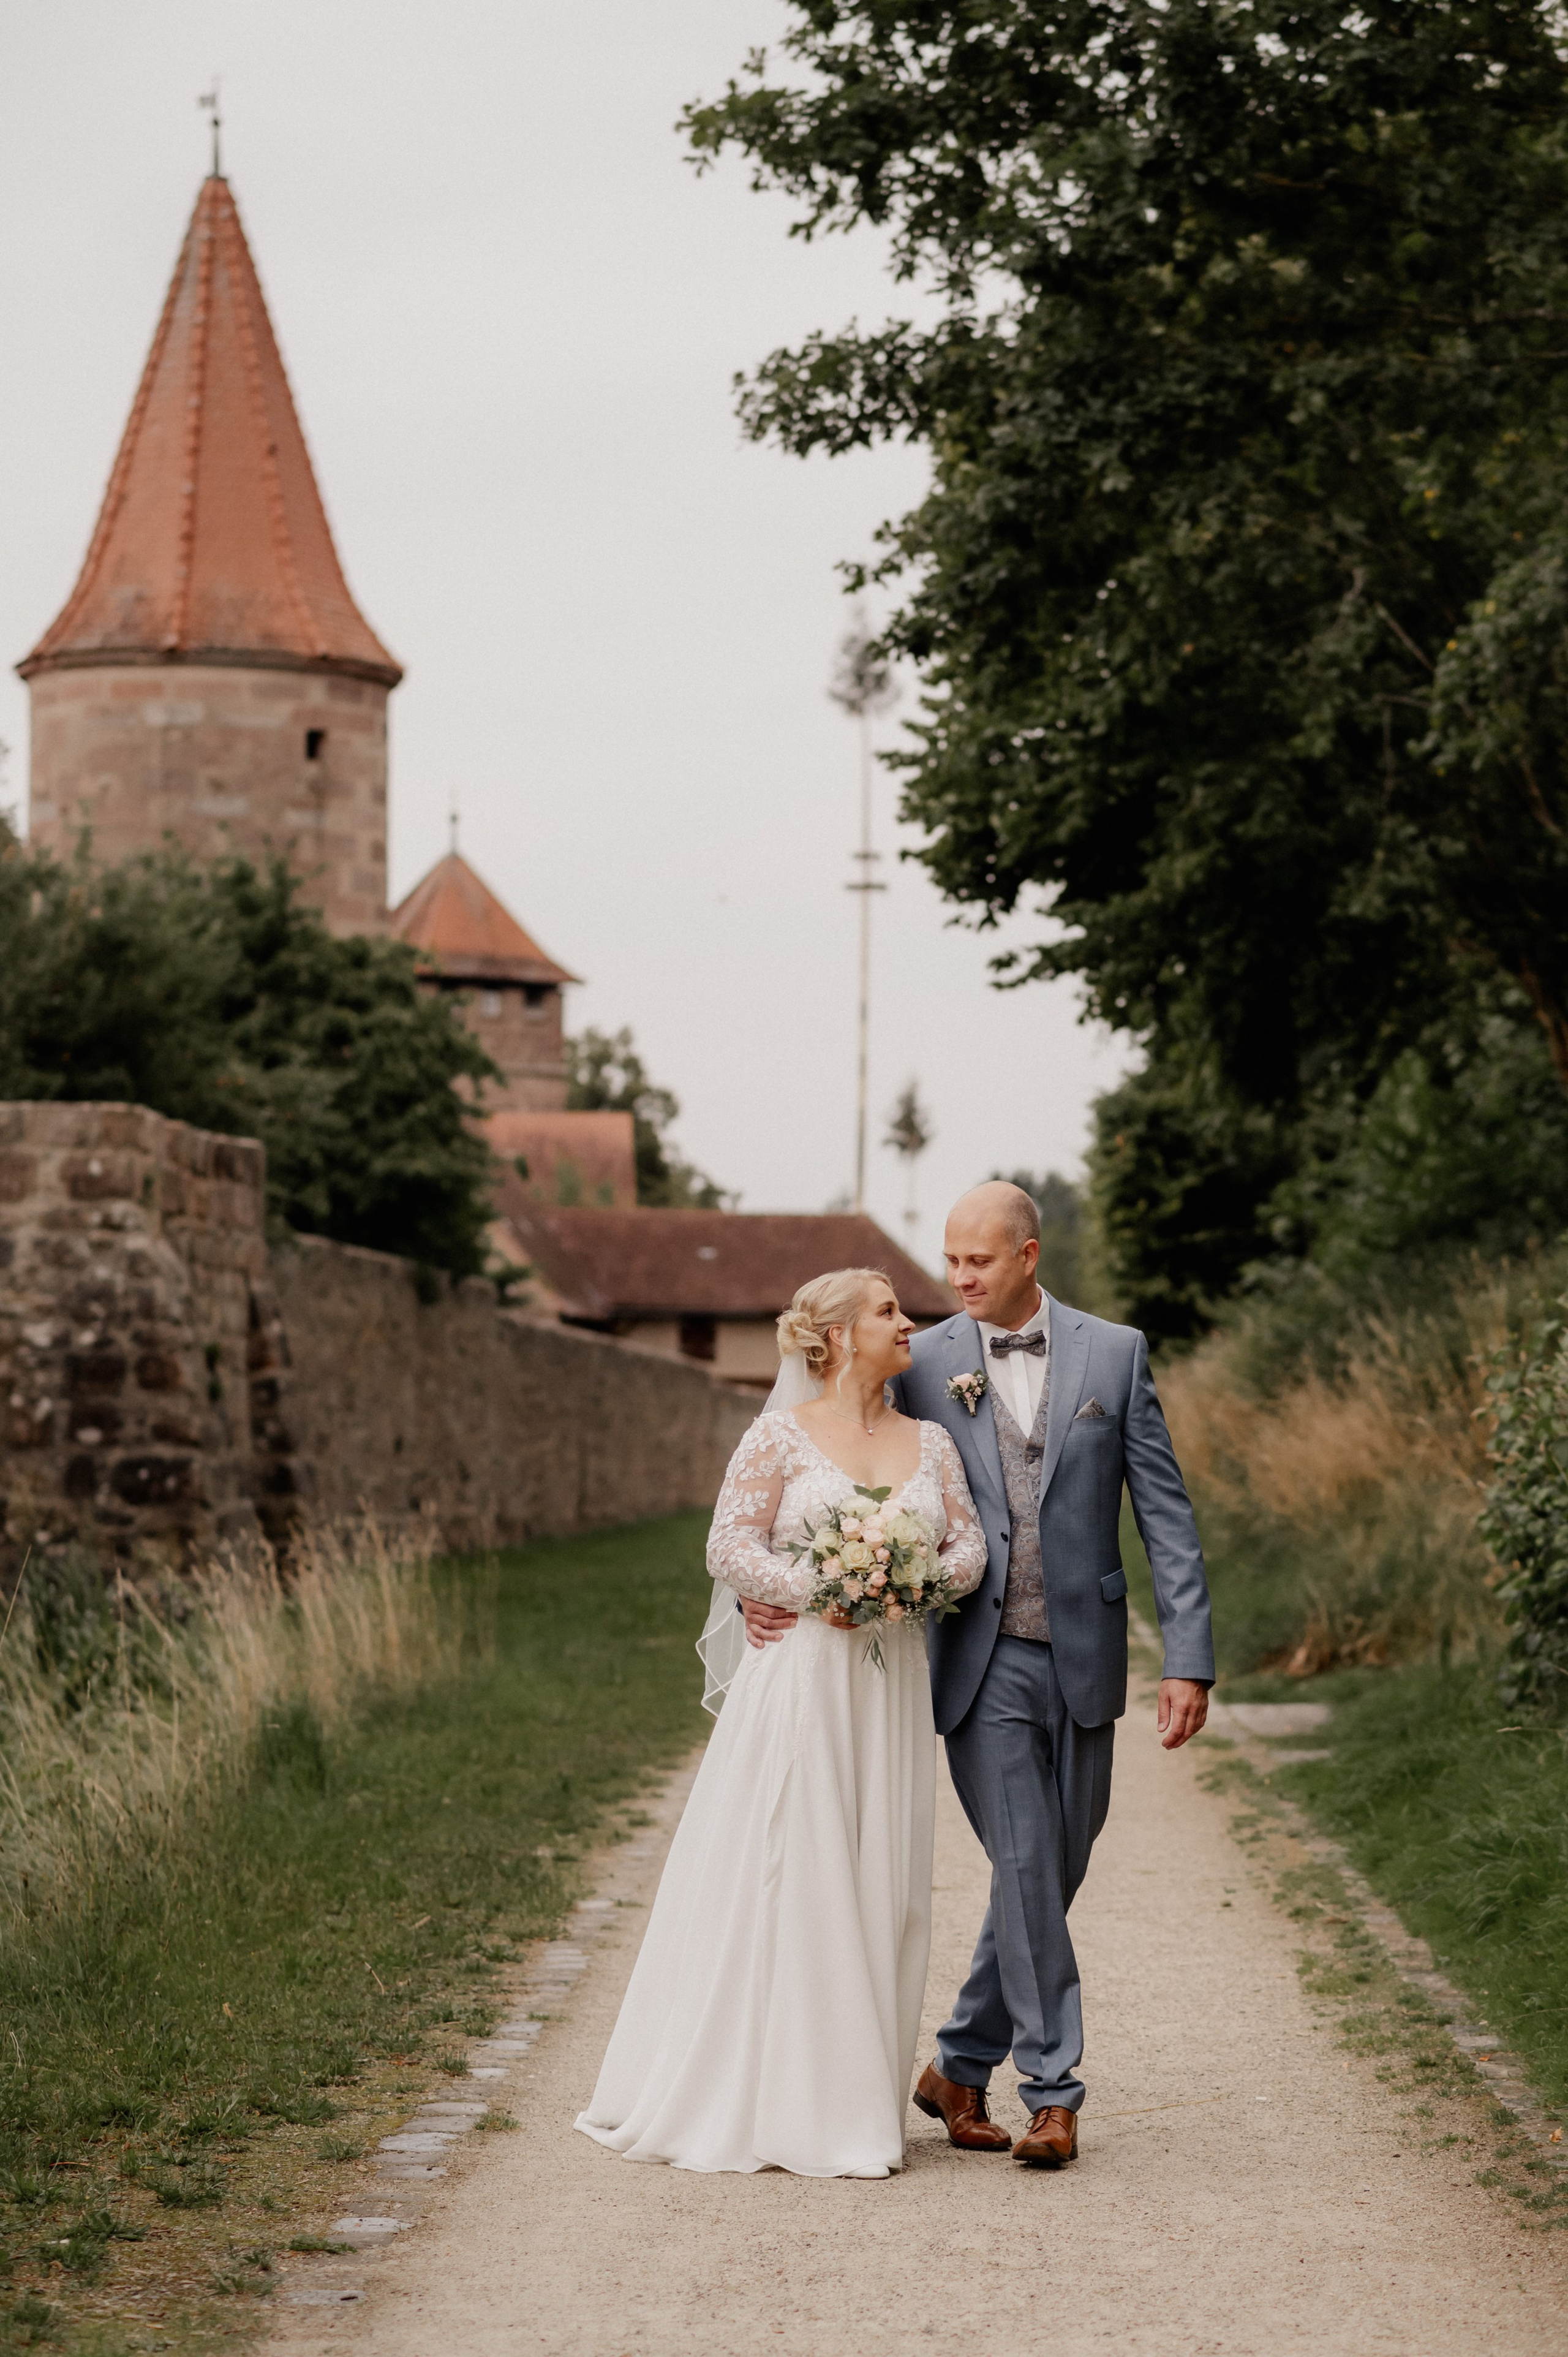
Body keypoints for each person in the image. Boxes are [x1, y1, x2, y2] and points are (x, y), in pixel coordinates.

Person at [742, 1182, 1213, 2166]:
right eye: (951, 1260)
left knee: (1058, 1864)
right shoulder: (925, 1359)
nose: (958, 1278)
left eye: (979, 1262)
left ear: (1029, 1257)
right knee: (1029, 1861)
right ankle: (1055, 2093)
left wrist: (1188, 1656)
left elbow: (1165, 1514)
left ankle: (957, 2062)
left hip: (1084, 1653)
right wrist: (782, 1576)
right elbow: (845, 1454)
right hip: (976, 1658)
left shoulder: (1115, 1354)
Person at [575, 1266, 986, 2177]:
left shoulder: (931, 1444)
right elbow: (728, 1543)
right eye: (888, 1311)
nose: (907, 1321)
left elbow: (969, 1550)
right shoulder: (778, 1438)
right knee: (797, 1869)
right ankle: (787, 2100)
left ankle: (856, 2095)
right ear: (838, 1336)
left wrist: (906, 1581)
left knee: (883, 1876)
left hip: (889, 1688)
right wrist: (817, 1589)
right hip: (804, 1679)